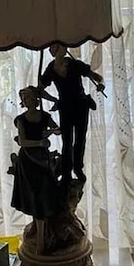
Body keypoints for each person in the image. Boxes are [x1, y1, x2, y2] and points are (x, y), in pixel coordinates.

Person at [38, 42, 105, 184]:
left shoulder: (75, 64)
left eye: (62, 47)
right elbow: (41, 88)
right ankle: (67, 171)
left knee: (80, 139)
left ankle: (78, 168)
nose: (61, 49)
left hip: (81, 106)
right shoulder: (51, 68)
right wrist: (53, 99)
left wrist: (101, 84)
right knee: (67, 140)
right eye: (57, 47)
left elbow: (96, 77)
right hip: (65, 108)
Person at [9, 85, 62, 220]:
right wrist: (39, 142)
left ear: (35, 99)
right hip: (28, 159)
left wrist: (52, 131)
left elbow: (57, 129)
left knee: (45, 191)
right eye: (24, 98)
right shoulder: (21, 119)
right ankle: (37, 227)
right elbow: (23, 141)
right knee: (31, 193)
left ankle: (46, 223)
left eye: (28, 98)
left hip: (43, 158)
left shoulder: (45, 116)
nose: (26, 101)